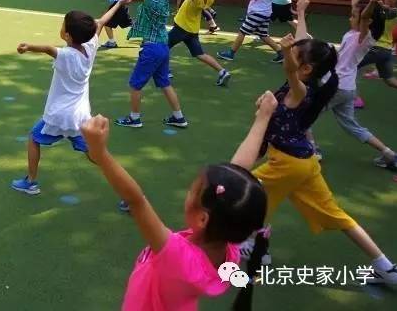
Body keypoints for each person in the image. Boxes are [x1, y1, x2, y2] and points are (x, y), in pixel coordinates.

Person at [238, 0, 397, 285]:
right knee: (336, 215)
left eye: (297, 55)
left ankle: (255, 254)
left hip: (287, 164)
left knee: (248, 194)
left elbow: (291, 69)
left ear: (306, 69)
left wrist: (286, 51)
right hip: (305, 163)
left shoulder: (301, 91)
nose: (292, 52)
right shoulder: (314, 80)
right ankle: (387, 268)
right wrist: (300, 12)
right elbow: (300, 49)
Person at [82, 90, 274, 311]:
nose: (189, 192)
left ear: (203, 218)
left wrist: (100, 153)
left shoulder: (178, 256)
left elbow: (137, 201)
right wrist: (263, 117)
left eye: (193, 190)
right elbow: (239, 170)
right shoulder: (229, 246)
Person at [10, 0, 133, 195]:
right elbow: (101, 21)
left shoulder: (66, 55)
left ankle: (31, 182)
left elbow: (49, 49)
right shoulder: (91, 46)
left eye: (63, 25)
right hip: (81, 118)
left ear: (67, 35)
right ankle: (128, 193)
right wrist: (119, 4)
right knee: (98, 156)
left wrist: (28, 46)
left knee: (33, 138)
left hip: (59, 117)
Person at [325, 0, 397, 171]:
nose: (350, 17)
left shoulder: (364, 37)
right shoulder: (354, 33)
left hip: (337, 87)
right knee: (353, 126)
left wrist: (374, 3)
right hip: (348, 89)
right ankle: (390, 154)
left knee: (303, 110)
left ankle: (310, 149)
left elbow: (365, 17)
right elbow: (358, 9)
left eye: (353, 16)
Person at [115, 0, 186, 129]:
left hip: (152, 50)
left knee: (135, 84)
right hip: (163, 47)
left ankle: (134, 118)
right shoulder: (162, 1)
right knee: (164, 83)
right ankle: (178, 117)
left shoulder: (151, 2)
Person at [169, 0, 243, 87]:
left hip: (181, 29)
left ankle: (165, 71)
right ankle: (222, 72)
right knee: (200, 54)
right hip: (192, 31)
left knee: (163, 46)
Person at [217, 0, 284, 64]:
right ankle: (281, 53)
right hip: (264, 14)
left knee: (242, 31)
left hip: (258, 13)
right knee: (263, 35)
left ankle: (231, 53)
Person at [358, 0, 397, 92]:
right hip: (386, 51)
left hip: (376, 48)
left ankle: (352, 96)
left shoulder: (394, 12)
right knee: (390, 80)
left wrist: (376, 3)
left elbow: (389, 12)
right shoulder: (394, 12)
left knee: (350, 66)